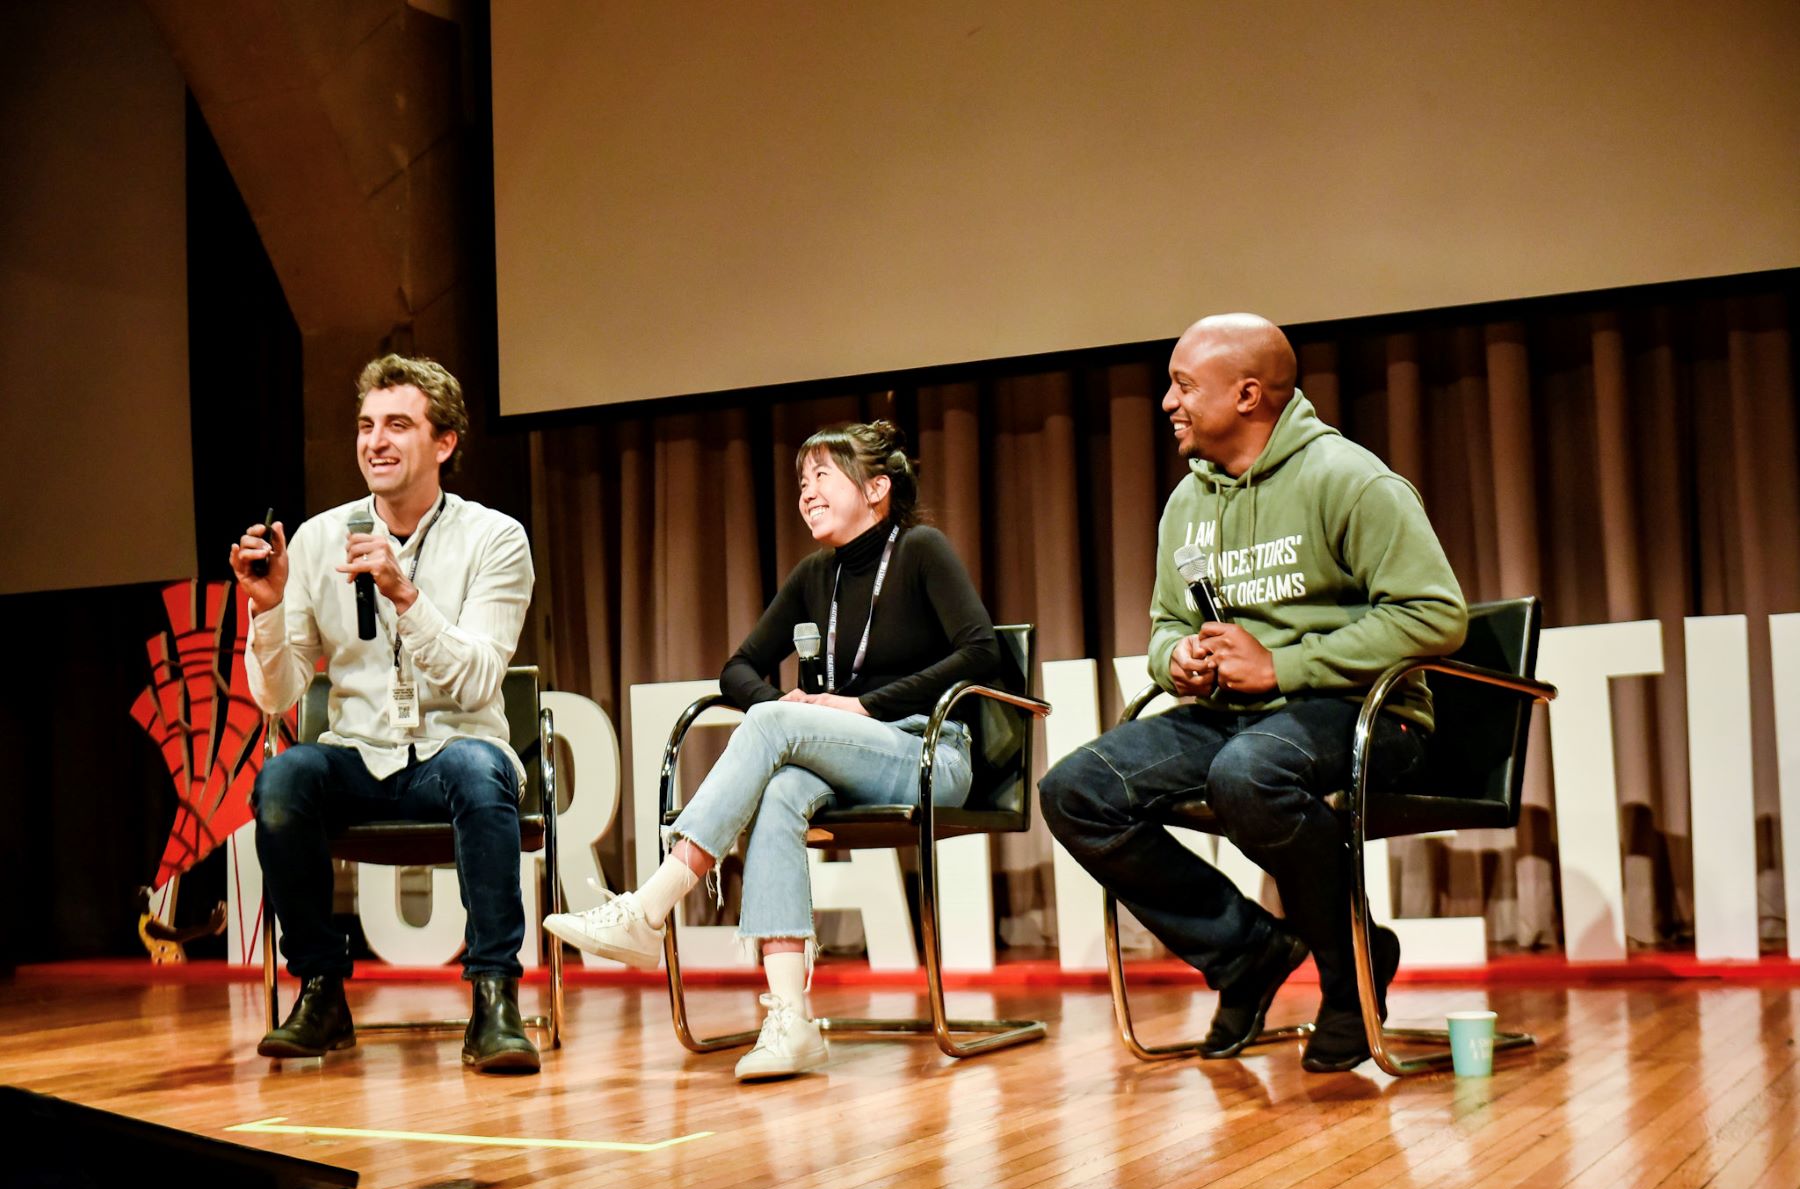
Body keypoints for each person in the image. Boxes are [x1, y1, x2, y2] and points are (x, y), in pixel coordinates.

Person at [1039, 314, 1467, 1072]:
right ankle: (1246, 953)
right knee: (1077, 790)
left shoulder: (1348, 478)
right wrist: (1177, 661)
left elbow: (1435, 614)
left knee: (1248, 773)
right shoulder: (1188, 502)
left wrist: (1284, 666)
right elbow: (1168, 622)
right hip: (1230, 715)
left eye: (1182, 385)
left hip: (1365, 712)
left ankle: (1351, 969)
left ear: (1247, 394)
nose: (1167, 402)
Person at [545, 420, 999, 1081]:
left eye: (824, 475)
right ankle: (790, 1017)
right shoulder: (816, 573)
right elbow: (740, 666)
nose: (807, 491)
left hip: (931, 752)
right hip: (845, 758)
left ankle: (650, 907)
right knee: (781, 782)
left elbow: (983, 652)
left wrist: (861, 706)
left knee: (771, 725)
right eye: (801, 480)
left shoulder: (921, 549)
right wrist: (788, 705)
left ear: (876, 488)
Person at [231, 354, 540, 1074]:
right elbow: (276, 697)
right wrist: (269, 607)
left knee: (477, 764)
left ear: (445, 442)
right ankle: (320, 989)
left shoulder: (494, 538)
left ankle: (495, 998)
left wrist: (406, 594)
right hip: (357, 753)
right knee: (283, 780)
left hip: (452, 752)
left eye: (399, 425)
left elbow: (475, 681)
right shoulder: (314, 540)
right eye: (367, 426)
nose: (376, 441)